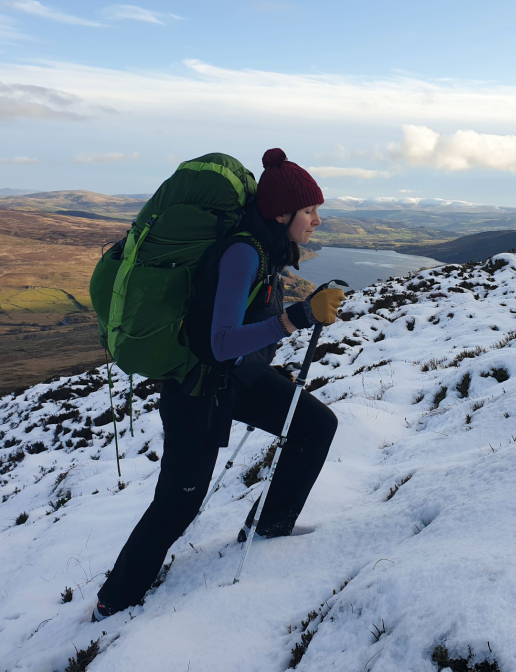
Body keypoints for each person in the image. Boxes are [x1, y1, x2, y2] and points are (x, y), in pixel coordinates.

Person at [93, 149, 343, 620]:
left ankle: (268, 533)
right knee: (178, 504)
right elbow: (222, 341)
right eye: (310, 211)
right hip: (196, 391)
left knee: (314, 425)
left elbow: (239, 335)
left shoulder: (267, 248)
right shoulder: (243, 252)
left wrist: (265, 366)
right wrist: (300, 316)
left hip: (235, 380)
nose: (317, 221)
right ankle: (114, 601)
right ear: (282, 213)